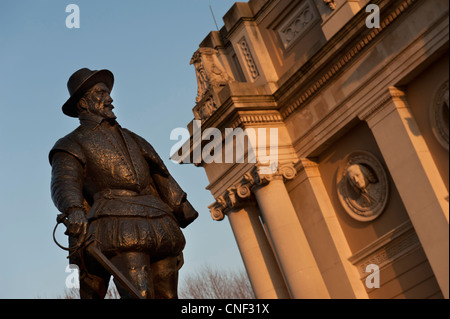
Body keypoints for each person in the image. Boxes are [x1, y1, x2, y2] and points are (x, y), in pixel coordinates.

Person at [49, 68, 198, 299]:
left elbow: (160, 172)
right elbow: (64, 182)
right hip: (117, 224)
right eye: (100, 93)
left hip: (160, 221)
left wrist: (179, 206)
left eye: (108, 93)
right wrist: (74, 209)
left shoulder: (134, 138)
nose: (109, 98)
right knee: (140, 294)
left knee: (169, 296)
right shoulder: (70, 143)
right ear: (82, 104)